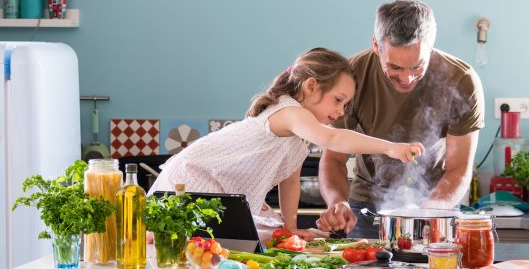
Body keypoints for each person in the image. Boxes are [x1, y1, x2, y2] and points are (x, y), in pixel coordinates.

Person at [148, 47, 424, 242]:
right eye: (338, 100)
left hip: (220, 192)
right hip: (194, 179)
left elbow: (289, 181)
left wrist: (290, 227)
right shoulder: (290, 112)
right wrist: (391, 148)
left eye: (346, 104)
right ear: (311, 86)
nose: (341, 111)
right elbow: (333, 139)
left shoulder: (298, 135)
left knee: (248, 241)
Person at [316, 0, 485, 238]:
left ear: (431, 46)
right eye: (394, 67)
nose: (406, 78)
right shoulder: (352, 75)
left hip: (435, 205)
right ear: (376, 45)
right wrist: (337, 202)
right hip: (366, 206)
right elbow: (333, 157)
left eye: (417, 67)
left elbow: (459, 168)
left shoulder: (461, 80)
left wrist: (428, 212)